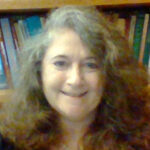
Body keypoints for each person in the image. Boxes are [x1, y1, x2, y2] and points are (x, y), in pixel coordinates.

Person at [0, 5, 150, 150]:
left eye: (90, 65)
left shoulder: (141, 141)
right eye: (60, 63)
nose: (75, 80)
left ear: (110, 75)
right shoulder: (10, 141)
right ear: (39, 72)